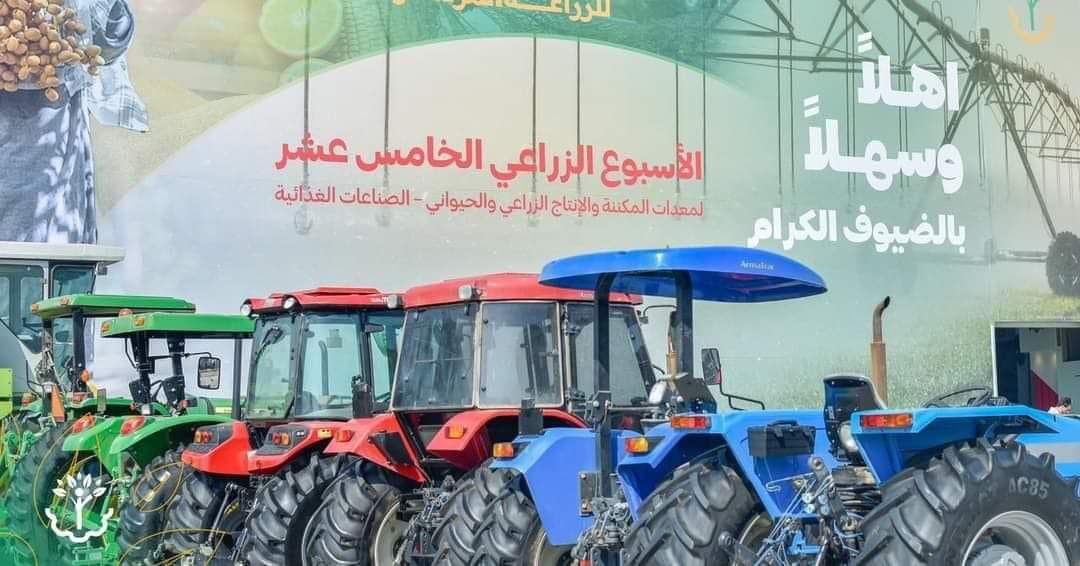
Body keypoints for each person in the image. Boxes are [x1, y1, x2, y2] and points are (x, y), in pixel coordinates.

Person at [0, 0, 146, 243]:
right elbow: (112, 38)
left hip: (46, 152)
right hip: (44, 160)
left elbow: (110, 39)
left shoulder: (60, 22)